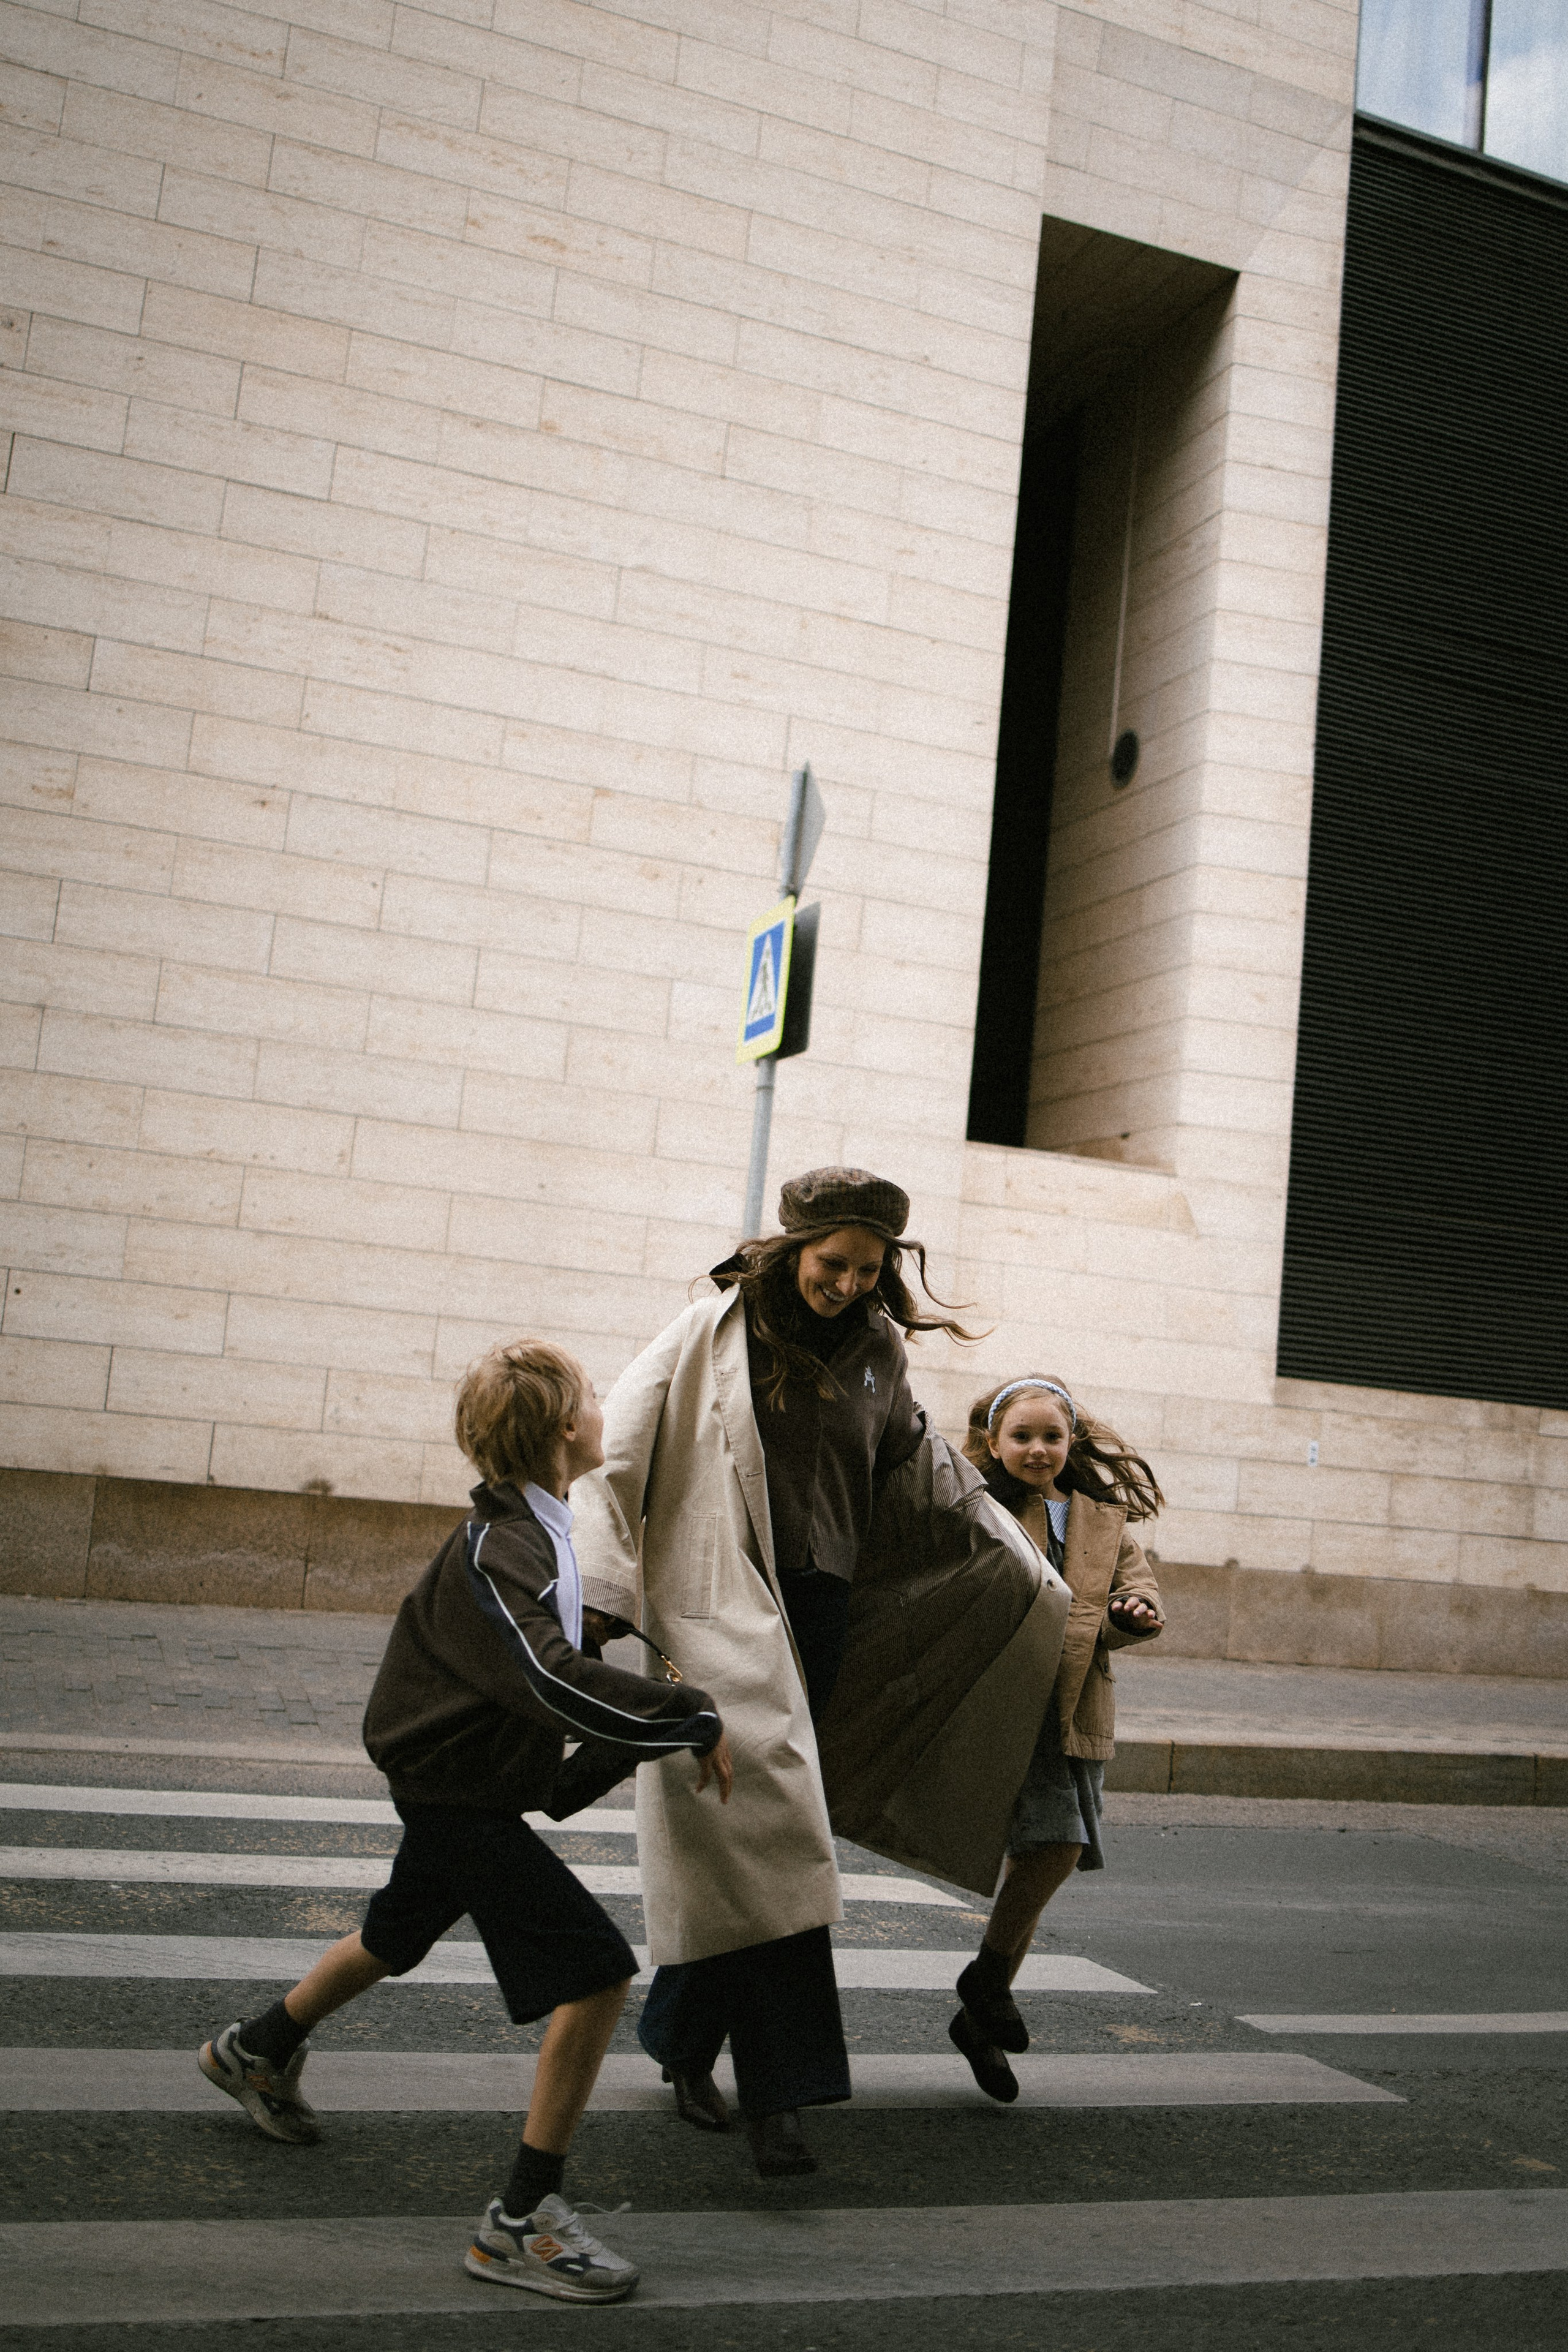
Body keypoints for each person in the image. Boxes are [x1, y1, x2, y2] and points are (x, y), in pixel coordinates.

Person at [196, 1340, 729, 2304]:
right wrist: (676, 1713)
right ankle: (520, 2225)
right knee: (598, 1974)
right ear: (567, 1426)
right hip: (457, 1794)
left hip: (463, 1785)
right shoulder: (502, 1545)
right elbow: (540, 1676)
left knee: (399, 1928)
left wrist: (624, 1677)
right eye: (594, 1400)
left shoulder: (535, 1530)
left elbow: (541, 1660)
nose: (604, 1411)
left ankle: (258, 2046)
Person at [571, 1166, 995, 2178]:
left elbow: (905, 1463)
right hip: (714, 1607)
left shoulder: (880, 1352)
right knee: (782, 1841)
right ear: (792, 1251)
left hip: (822, 1613)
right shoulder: (712, 1333)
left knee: (746, 1840)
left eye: (868, 1269)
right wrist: (596, 1593)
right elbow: (616, 1454)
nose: (848, 1284)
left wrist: (1002, 1526)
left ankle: (679, 2039)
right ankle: (783, 2096)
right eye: (832, 1264)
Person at [948, 1374, 1164, 2102]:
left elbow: (1137, 1590)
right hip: (1016, 1699)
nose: (1038, 1450)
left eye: (1051, 1437)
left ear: (1071, 1443)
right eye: (1021, 1437)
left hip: (1078, 1707)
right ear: (993, 1444)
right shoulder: (981, 1509)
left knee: (1040, 1862)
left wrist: (1134, 1613)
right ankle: (984, 1983)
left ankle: (982, 2011)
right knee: (1058, 1847)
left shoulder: (1102, 1519)